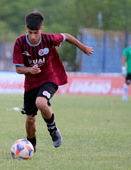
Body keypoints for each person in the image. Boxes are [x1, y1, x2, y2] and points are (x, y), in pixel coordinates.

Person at [13, 12, 94, 151]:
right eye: (30, 32)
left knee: (41, 102)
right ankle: (31, 146)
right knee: (30, 120)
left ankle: (53, 130)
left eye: (36, 32)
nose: (33, 36)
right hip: (30, 83)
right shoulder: (20, 42)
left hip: (49, 78)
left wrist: (83, 48)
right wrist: (29, 70)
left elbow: (67, 37)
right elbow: (19, 69)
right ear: (26, 29)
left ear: (41, 29)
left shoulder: (49, 39)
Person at [122, 37, 131, 101]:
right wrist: (123, 68)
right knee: (127, 83)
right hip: (129, 71)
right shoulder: (127, 50)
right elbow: (123, 59)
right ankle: (124, 96)